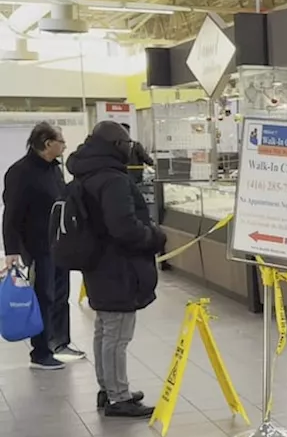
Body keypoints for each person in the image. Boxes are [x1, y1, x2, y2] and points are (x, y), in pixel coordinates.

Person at [70, 121, 166, 418]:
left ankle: (108, 387)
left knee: (105, 328)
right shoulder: (111, 180)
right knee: (117, 333)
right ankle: (118, 396)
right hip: (118, 265)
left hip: (98, 263)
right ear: (116, 147)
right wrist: (154, 237)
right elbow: (124, 228)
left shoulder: (86, 173)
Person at [2, 121, 84, 369]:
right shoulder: (21, 172)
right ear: (48, 144)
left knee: (61, 295)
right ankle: (40, 352)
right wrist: (12, 250)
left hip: (60, 244)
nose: (64, 146)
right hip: (37, 246)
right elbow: (11, 213)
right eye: (61, 141)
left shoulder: (54, 170)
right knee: (44, 296)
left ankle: (60, 343)